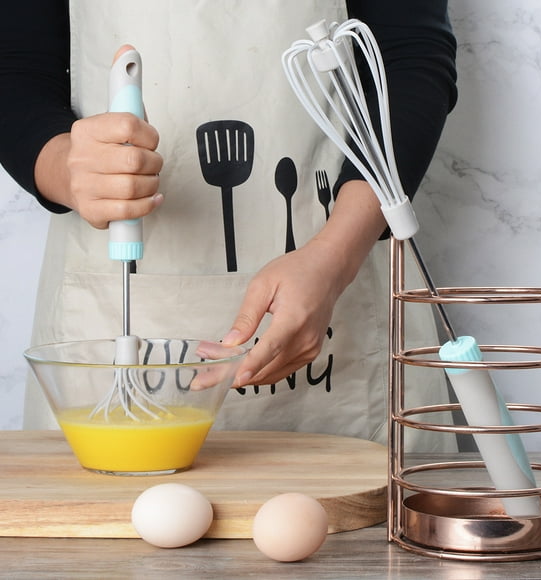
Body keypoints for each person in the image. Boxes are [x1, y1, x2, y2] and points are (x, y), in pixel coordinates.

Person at [0, 0, 458, 448]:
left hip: (344, 279)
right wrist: (67, 168)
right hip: (107, 300)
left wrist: (335, 256)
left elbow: (411, 56)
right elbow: (15, 71)